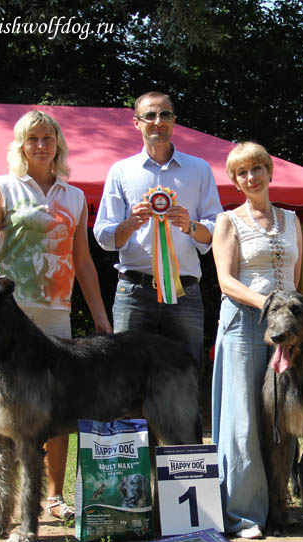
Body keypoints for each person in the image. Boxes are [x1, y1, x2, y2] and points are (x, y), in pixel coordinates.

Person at [0, 110, 112, 533]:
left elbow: (84, 262)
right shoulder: (3, 188)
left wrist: (101, 318)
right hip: (7, 316)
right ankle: (1, 506)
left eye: (47, 138)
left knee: (55, 406)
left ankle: (53, 498)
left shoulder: (74, 197)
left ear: (58, 145)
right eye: (32, 139)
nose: (40, 145)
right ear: (21, 145)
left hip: (55, 313)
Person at [211, 142, 302, 539]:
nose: (252, 177)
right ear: (235, 180)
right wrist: (267, 303)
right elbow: (226, 281)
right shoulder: (227, 221)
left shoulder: (292, 219)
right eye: (242, 173)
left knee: (281, 415)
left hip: (287, 327)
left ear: (269, 171)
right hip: (245, 322)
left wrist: (296, 319)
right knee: (244, 416)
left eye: (257, 169)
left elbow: (296, 279)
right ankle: (244, 513)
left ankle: (278, 507)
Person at [93, 91, 222, 367]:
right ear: (137, 123)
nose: (157, 121)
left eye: (165, 114)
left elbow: (217, 230)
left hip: (184, 292)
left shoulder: (199, 169)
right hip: (134, 293)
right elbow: (103, 234)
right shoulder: (120, 171)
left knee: (186, 377)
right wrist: (130, 224)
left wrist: (190, 226)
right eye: (150, 115)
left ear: (174, 121)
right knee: (126, 378)